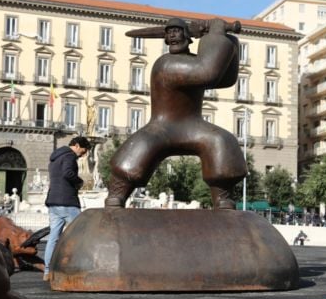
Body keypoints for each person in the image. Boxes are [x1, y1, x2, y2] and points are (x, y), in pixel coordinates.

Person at [105, 18, 246, 210]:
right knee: (138, 150)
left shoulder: (195, 62)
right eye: (169, 32)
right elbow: (208, 72)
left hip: (193, 126)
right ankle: (117, 193)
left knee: (221, 140)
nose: (172, 35)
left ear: (188, 36)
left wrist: (227, 40)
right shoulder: (166, 64)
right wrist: (216, 35)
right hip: (162, 127)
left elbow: (225, 78)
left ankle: (222, 196)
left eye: (177, 31)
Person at [43, 136, 91, 280]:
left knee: (53, 237)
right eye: (84, 150)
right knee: (83, 233)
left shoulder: (55, 158)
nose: (84, 153)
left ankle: (47, 271)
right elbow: (68, 173)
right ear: (76, 145)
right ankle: (81, 267)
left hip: (53, 201)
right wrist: (79, 182)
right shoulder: (70, 157)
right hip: (67, 201)